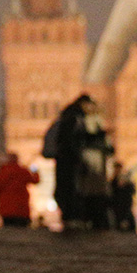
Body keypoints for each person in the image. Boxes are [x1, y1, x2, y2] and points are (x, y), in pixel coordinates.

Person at [53, 94, 92, 229]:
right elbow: (71, 139)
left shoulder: (68, 114)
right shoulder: (75, 116)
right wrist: (77, 156)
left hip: (65, 158)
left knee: (66, 186)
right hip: (69, 159)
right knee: (70, 187)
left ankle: (69, 216)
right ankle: (70, 217)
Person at [78, 100, 113, 231]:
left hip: (96, 163)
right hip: (90, 162)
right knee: (91, 192)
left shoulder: (96, 121)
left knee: (96, 192)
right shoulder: (85, 122)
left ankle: (96, 219)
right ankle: (93, 219)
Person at [0, 152, 38, 227]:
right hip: (21, 207)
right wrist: (35, 172)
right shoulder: (22, 171)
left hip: (6, 207)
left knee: (8, 230)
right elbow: (35, 180)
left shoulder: (3, 171)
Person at [109, 160, 136, 232]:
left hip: (125, 200)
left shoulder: (126, 179)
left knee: (127, 214)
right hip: (118, 201)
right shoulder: (114, 179)